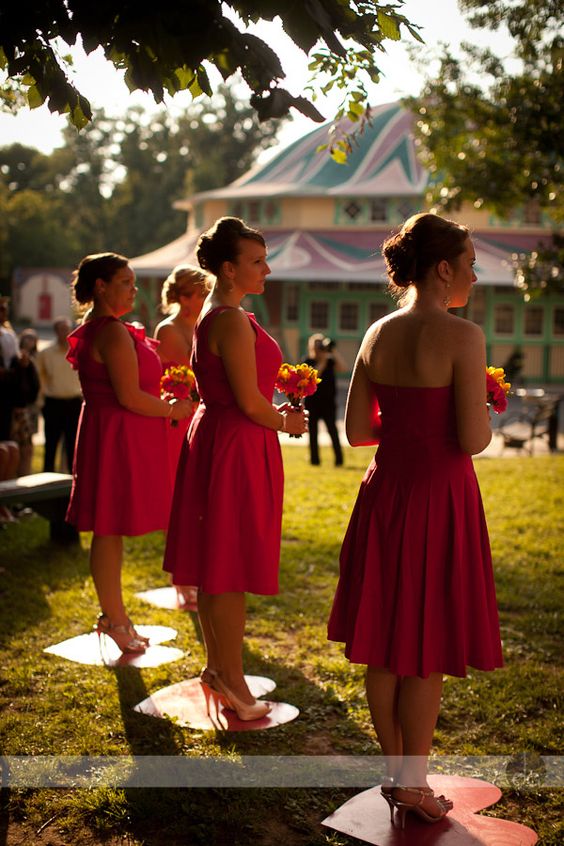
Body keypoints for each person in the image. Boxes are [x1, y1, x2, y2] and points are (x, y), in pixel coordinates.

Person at [328, 213, 503, 827]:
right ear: (444, 269)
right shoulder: (463, 334)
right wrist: (478, 403)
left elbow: (355, 432)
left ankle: (395, 772)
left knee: (385, 642)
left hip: (385, 492)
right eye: (472, 265)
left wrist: (405, 428)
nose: (475, 279)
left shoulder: (375, 333)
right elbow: (474, 439)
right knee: (424, 646)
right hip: (439, 494)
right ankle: (415, 783)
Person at [163, 217, 307, 720]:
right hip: (236, 443)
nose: (267, 268)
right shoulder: (228, 318)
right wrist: (287, 421)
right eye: (257, 261)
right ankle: (232, 679)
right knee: (228, 568)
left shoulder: (218, 313)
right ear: (228, 268)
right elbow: (250, 402)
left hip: (221, 437)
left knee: (217, 567)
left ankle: (218, 670)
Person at [66, 253, 194, 653]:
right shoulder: (111, 332)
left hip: (110, 431)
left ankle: (115, 616)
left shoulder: (106, 328)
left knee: (110, 530)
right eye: (126, 282)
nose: (134, 290)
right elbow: (130, 396)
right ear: (101, 287)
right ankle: (114, 619)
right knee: (108, 529)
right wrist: (174, 409)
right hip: (115, 435)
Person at [154, 264, 209, 608]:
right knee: (183, 499)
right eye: (201, 292)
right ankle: (181, 578)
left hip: (199, 417)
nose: (206, 297)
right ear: (184, 297)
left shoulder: (203, 323)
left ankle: (195, 571)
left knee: (200, 499)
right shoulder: (170, 329)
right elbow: (184, 381)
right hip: (179, 422)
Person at [37, 317, 83, 473]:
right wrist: (41, 402)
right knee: (51, 445)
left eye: (67, 329)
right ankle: (46, 481)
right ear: (56, 331)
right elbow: (39, 378)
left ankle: (70, 483)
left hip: (74, 403)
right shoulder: (45, 353)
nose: (65, 333)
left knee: (73, 446)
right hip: (53, 404)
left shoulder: (77, 352)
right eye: (61, 329)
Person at [303, 333, 345, 466]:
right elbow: (314, 376)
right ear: (312, 347)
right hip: (312, 403)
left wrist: (332, 352)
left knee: (333, 431)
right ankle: (314, 460)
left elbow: (343, 368)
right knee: (313, 433)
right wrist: (323, 361)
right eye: (316, 345)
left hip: (328, 403)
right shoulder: (307, 361)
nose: (319, 348)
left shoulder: (330, 361)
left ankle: (339, 460)